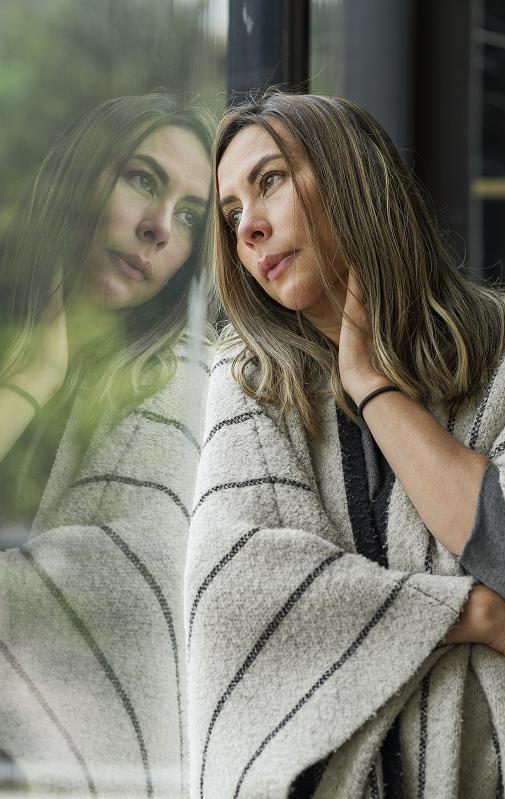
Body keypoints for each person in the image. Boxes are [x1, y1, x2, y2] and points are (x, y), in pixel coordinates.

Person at [186, 91, 505, 798]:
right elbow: (238, 600)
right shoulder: (250, 384)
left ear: (347, 173)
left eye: (269, 180)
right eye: (230, 214)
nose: (247, 225)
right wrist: (479, 616)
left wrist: (370, 384)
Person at [0, 93, 213, 796]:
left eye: (188, 217)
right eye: (144, 180)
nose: (157, 228)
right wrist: (32, 376)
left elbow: (124, 592)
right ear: (81, 174)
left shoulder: (180, 384)